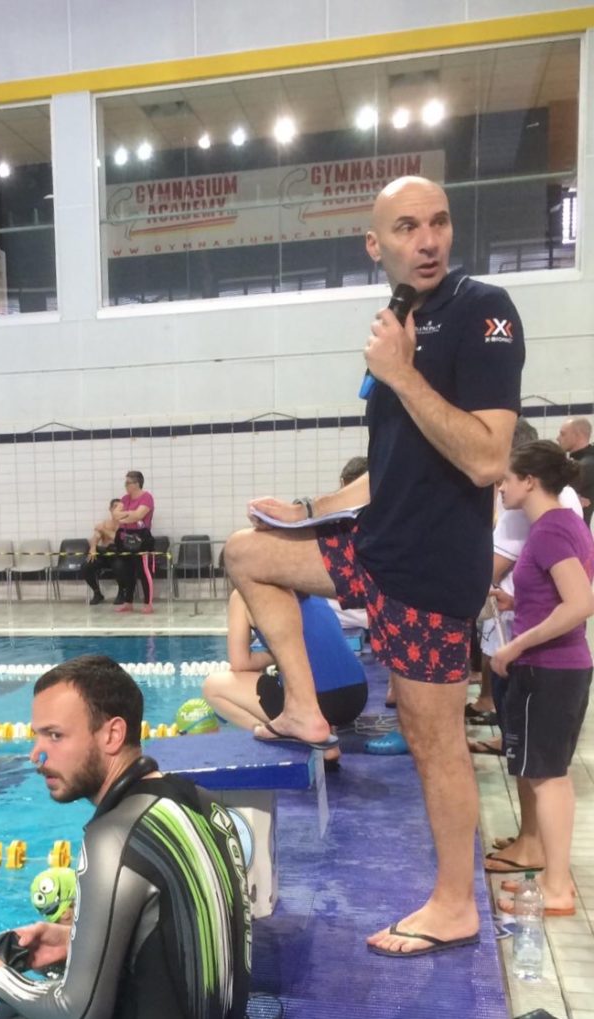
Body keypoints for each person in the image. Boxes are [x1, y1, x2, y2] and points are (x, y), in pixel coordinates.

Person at [223, 175, 524, 957]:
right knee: (246, 553)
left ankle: (454, 903)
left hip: (428, 571)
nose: (426, 240)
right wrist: (306, 504)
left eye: (438, 222)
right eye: (406, 227)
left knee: (435, 741)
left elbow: (489, 456)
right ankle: (304, 706)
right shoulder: (402, 317)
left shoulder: (483, 311)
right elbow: (389, 464)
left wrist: (400, 373)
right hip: (375, 546)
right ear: (376, 243)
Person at [0, 654, 252, 1018]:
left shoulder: (115, 835)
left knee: (14, 1008)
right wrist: (72, 939)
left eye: (55, 736)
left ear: (112, 734)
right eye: (37, 736)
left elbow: (81, 1011)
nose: (36, 754)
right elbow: (184, 944)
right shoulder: (204, 804)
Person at [482, 441, 594, 920]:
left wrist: (517, 644)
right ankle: (551, 876)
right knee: (549, 776)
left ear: (529, 481)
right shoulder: (560, 524)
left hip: (550, 669)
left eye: (506, 478)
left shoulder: (548, 530)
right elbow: (558, 597)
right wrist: (515, 606)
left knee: (548, 780)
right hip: (559, 667)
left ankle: (555, 888)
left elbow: (580, 603)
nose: (501, 486)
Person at [203, 591, 367, 770]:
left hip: (322, 700)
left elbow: (240, 663)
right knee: (309, 670)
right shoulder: (307, 585)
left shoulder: (243, 595)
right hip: (357, 693)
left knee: (213, 687)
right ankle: (327, 741)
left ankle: (279, 735)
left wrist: (278, 653)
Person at [113, 471, 155, 614]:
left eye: (127, 483)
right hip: (125, 537)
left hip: (141, 538)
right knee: (127, 572)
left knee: (143, 571)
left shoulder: (147, 497)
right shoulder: (125, 498)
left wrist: (126, 516)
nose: (125, 486)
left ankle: (148, 603)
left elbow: (138, 515)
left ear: (136, 484)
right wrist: (129, 515)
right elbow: (115, 515)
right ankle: (128, 602)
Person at [81, 498, 121, 606]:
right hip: (105, 555)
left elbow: (118, 538)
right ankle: (97, 593)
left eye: (120, 507)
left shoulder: (126, 524)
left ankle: (122, 593)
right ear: (110, 509)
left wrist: (103, 530)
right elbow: (95, 538)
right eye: (115, 507)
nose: (117, 509)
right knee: (86, 566)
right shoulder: (105, 523)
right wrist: (93, 548)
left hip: (119, 556)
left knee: (120, 566)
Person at [556, 416, 594, 525]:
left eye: (563, 434)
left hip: (577, 532)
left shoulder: (586, 465)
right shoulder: (581, 463)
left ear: (578, 436)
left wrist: (566, 498)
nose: (558, 438)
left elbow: (552, 494)